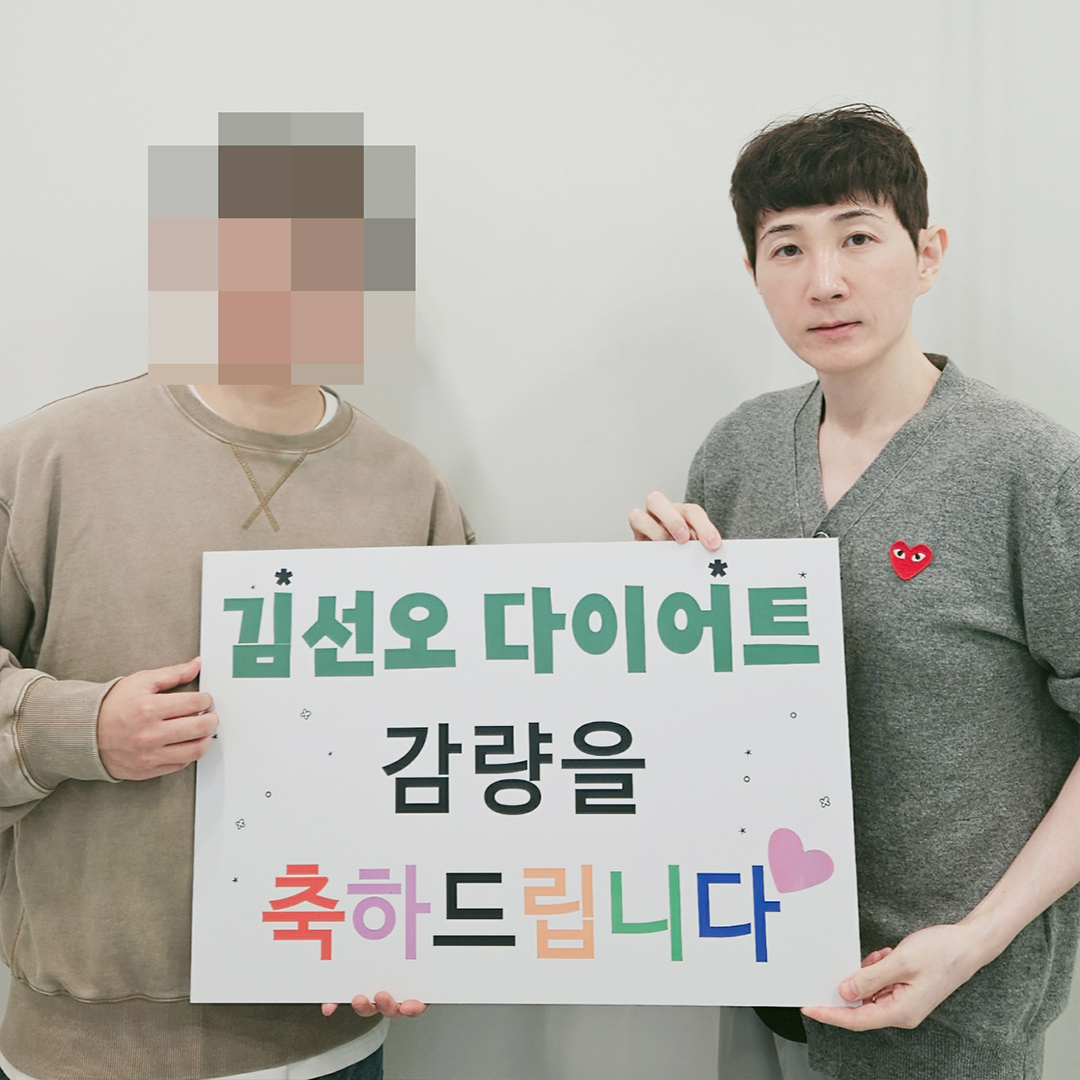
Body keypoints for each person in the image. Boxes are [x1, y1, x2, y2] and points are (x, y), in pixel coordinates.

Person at [630, 105, 1080, 1080]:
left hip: (954, 1001)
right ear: (753, 272)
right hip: (764, 969)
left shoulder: (1031, 469)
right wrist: (657, 613)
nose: (824, 280)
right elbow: (712, 717)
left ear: (927, 254)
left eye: (859, 237)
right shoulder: (739, 452)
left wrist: (977, 938)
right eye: (786, 248)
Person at [0, 379, 472, 1080]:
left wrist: (411, 943)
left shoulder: (409, 486)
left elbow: (462, 746)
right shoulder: (47, 456)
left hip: (330, 1042)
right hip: (84, 1051)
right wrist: (76, 729)